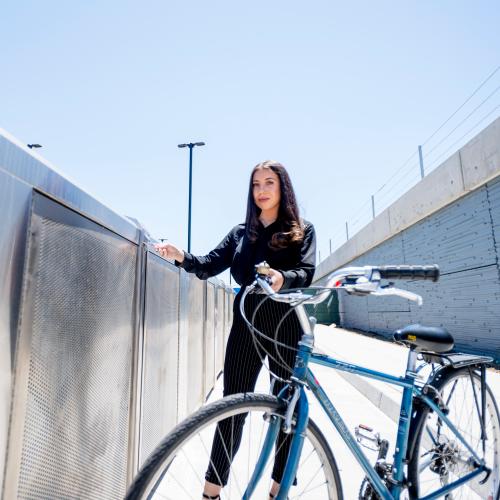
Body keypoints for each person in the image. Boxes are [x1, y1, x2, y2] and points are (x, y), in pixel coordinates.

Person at [155, 160, 316, 499]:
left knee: (287, 410)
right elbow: (210, 264)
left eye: (269, 183)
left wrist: (282, 277)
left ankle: (278, 490)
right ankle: (211, 492)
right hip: (247, 326)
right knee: (231, 407)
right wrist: (181, 255)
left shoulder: (303, 230)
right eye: (256, 184)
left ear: (282, 188)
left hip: (287, 325)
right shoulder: (241, 233)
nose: (262, 190)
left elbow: (306, 272)